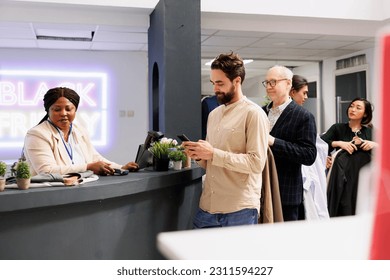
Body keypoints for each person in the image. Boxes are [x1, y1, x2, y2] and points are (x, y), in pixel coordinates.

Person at [183, 52, 269, 228]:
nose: (215, 89)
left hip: (239, 210)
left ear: (237, 81)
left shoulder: (254, 114)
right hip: (208, 207)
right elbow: (212, 163)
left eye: (220, 83)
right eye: (213, 83)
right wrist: (199, 155)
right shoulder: (213, 115)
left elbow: (256, 163)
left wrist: (213, 153)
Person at [23, 87, 139, 176]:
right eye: (57, 109)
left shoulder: (79, 130)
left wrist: (121, 167)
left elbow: (94, 158)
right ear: (48, 110)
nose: (63, 113)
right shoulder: (37, 134)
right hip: (50, 193)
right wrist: (88, 167)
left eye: (69, 109)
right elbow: (46, 171)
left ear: (75, 110)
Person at [262, 66, 317, 221]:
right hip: (258, 191)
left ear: (288, 83)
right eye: (266, 82)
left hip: (285, 194)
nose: (268, 87)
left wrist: (273, 142)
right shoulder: (259, 113)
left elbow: (308, 154)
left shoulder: (303, 117)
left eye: (273, 82)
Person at [320, 97, 377, 216]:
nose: (353, 109)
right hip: (342, 178)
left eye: (358, 107)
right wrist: (339, 143)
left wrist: (374, 144)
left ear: (365, 113)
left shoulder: (370, 132)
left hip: (362, 180)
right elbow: (320, 144)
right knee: (343, 206)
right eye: (351, 106)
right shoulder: (337, 128)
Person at [290, 75, 329, 220]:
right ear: (292, 92)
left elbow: (315, 146)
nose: (306, 97)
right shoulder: (301, 117)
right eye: (304, 93)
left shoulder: (305, 117)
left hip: (307, 172)